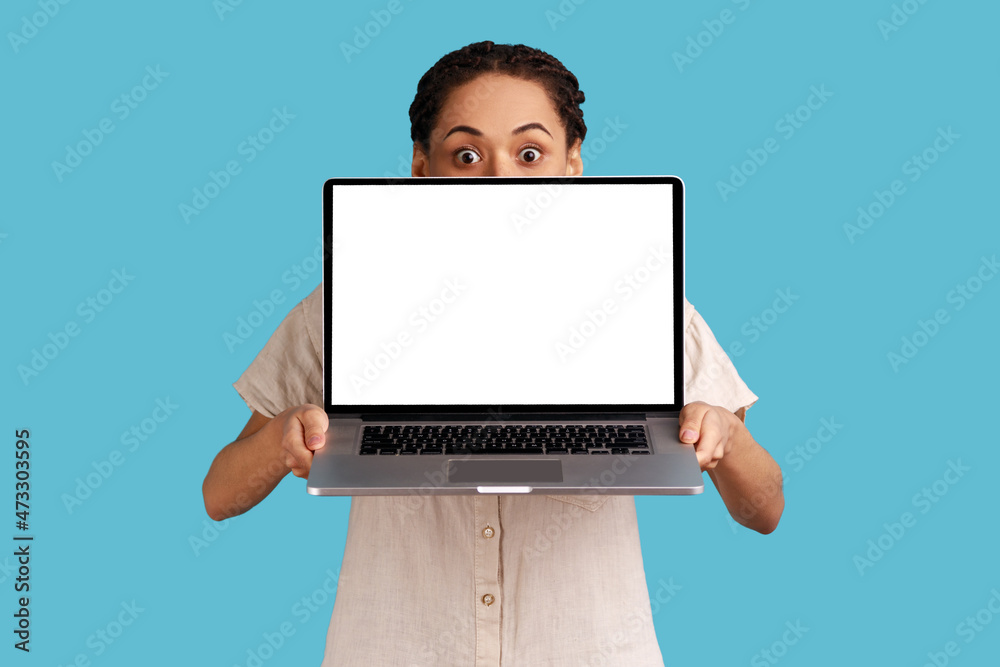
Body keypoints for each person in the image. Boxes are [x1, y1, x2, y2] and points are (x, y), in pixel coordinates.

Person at [203, 40, 784, 666]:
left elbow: (764, 508)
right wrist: (280, 440)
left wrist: (724, 435)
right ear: (423, 168)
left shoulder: (640, 306)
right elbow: (219, 495)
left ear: (572, 164)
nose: (501, 177)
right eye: (468, 154)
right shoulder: (343, 307)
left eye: (529, 152)